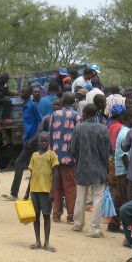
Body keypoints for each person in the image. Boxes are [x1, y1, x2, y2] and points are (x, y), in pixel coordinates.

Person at [71, 104, 110, 238]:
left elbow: (73, 150)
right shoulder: (103, 129)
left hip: (82, 167)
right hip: (99, 168)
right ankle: (94, 229)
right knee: (98, 198)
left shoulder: (78, 128)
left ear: (86, 113)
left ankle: (78, 224)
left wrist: (78, 160)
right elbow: (107, 151)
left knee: (80, 197)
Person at [5, 85, 42, 201]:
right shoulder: (25, 105)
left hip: (32, 142)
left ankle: (15, 193)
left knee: (19, 163)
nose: (21, 93)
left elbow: (41, 122)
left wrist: (34, 138)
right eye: (21, 91)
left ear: (29, 93)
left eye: (24, 92)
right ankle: (32, 193)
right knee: (34, 167)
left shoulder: (32, 106)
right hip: (28, 140)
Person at [49, 92, 81, 223]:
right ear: (73, 102)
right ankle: (71, 215)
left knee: (56, 185)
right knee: (70, 187)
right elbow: (78, 136)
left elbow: (50, 133)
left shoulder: (54, 114)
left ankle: (56, 214)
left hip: (55, 155)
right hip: (70, 156)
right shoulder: (76, 115)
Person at [24, 132, 58, 252]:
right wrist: (27, 192)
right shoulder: (34, 156)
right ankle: (37, 241)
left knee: (46, 215)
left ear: (49, 142)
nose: (44, 143)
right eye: (41, 141)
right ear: (38, 142)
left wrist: (53, 192)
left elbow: (55, 174)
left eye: (46, 141)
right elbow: (32, 174)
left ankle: (47, 242)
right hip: (34, 190)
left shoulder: (52, 155)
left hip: (46, 191)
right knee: (36, 216)